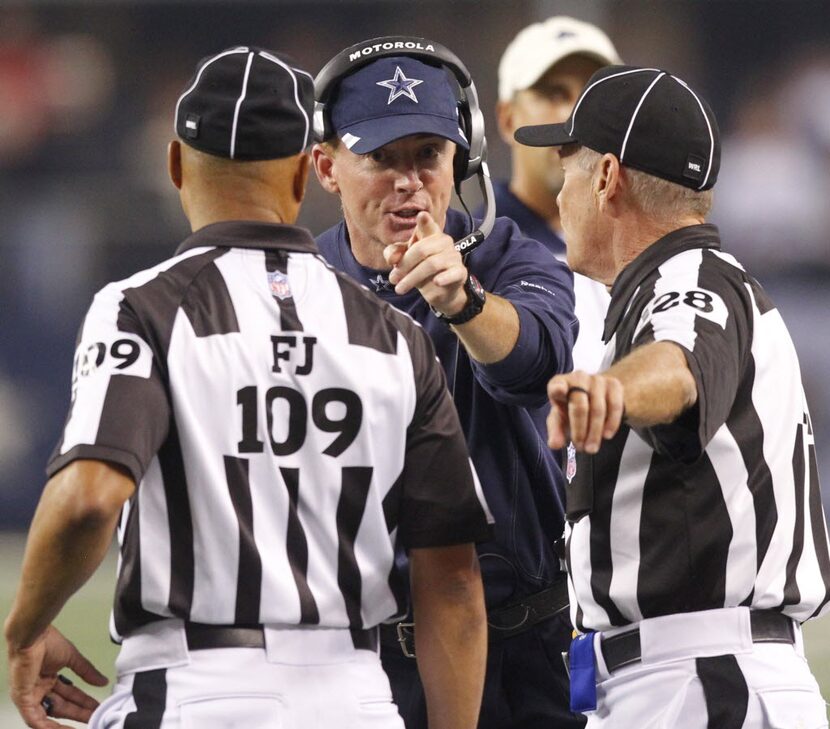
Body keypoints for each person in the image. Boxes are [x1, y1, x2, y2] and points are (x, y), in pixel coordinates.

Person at [3, 45, 493, 729]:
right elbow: (455, 582)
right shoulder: (392, 335)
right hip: (358, 698)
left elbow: (88, 498)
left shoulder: (144, 308)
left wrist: (25, 628)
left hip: (193, 688)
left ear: (176, 163)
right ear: (304, 172)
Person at [516, 64, 830, 727]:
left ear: (606, 178)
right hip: (671, 678)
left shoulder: (694, 278)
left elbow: (680, 367)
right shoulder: (657, 294)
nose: (558, 190)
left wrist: (612, 389)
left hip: (702, 679)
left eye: (567, 167)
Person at [312, 37, 582, 729]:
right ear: (326, 168)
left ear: (460, 160)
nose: (408, 181)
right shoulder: (299, 288)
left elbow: (538, 364)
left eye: (427, 156)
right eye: (381, 157)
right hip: (356, 658)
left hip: (519, 647)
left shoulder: (510, 257)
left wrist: (463, 302)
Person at [492, 16, 621, 372]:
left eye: (595, 95)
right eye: (554, 94)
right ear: (506, 119)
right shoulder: (476, 255)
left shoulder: (642, 250)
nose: (575, 115)